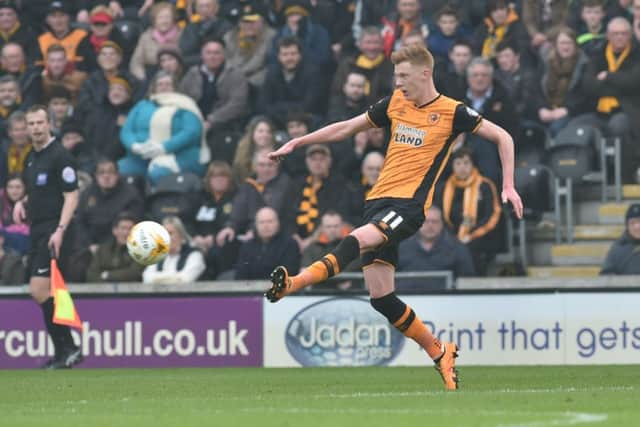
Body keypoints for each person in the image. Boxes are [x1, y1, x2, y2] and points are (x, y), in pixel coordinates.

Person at [265, 44, 523, 390]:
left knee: (355, 240)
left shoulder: (452, 111)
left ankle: (295, 283)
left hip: (408, 208)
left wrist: (508, 184)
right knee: (382, 298)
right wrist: (298, 142)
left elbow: (503, 137)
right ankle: (439, 350)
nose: (398, 82)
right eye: (395, 75)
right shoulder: (395, 103)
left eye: (403, 76)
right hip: (377, 202)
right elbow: (345, 127)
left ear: (424, 74)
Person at [12, 104, 83, 369]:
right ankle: (64, 351)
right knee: (44, 291)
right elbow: (40, 188)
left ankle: (69, 348)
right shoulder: (32, 156)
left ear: (49, 124)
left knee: (39, 289)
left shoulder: (60, 156)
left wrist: (61, 230)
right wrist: (23, 202)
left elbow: (71, 195)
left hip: (55, 229)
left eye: (40, 123)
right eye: (31, 124)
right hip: (38, 228)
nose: (35, 128)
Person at [120, 71, 209, 184]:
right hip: (141, 155)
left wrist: (163, 147)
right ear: (154, 87)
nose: (164, 87)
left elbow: (192, 131)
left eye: (168, 84)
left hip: (178, 155)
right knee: (121, 170)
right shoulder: (142, 105)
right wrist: (134, 146)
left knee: (158, 173)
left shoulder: (185, 105)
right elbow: (127, 130)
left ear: (175, 87)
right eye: (160, 84)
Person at [439, 148, 502, 276]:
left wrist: (470, 236)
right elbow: (440, 216)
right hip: (450, 237)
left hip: (479, 236)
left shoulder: (485, 185)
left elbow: (492, 215)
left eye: (466, 163)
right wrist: (452, 238)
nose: (462, 167)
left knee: (469, 250)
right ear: (452, 166)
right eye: (458, 163)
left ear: (473, 165)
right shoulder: (444, 188)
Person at [397, 205, 475, 290]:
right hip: (408, 300)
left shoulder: (457, 249)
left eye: (435, 222)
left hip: (447, 300)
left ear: (441, 224)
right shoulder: (400, 247)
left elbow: (468, 282)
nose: (430, 225)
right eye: (426, 221)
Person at [234, 206, 300, 280]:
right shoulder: (247, 247)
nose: (266, 226)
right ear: (256, 225)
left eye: (270, 221)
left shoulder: (290, 245)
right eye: (261, 222)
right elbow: (240, 276)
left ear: (278, 223)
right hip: (250, 290)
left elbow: (289, 274)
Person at [142, 215, 206, 284]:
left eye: (170, 233)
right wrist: (175, 276)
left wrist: (157, 278)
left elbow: (186, 279)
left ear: (181, 235)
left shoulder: (194, 255)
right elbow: (147, 278)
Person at [129, 2, 182, 81]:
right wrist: (143, 79)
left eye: (167, 17)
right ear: (154, 20)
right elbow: (136, 63)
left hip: (177, 78)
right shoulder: (146, 37)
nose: (164, 21)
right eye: (160, 17)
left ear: (173, 19)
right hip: (151, 78)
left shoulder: (182, 35)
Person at [86, 213, 144, 283]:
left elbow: (135, 273)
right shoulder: (103, 250)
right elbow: (91, 275)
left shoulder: (141, 250)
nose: (126, 232)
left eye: (130, 229)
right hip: (104, 291)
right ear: (115, 230)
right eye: (123, 228)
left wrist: (107, 275)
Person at [601, 203, 640, 274]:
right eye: (632, 223)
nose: (637, 227)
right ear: (627, 226)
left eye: (639, 221)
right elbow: (606, 274)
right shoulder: (617, 248)